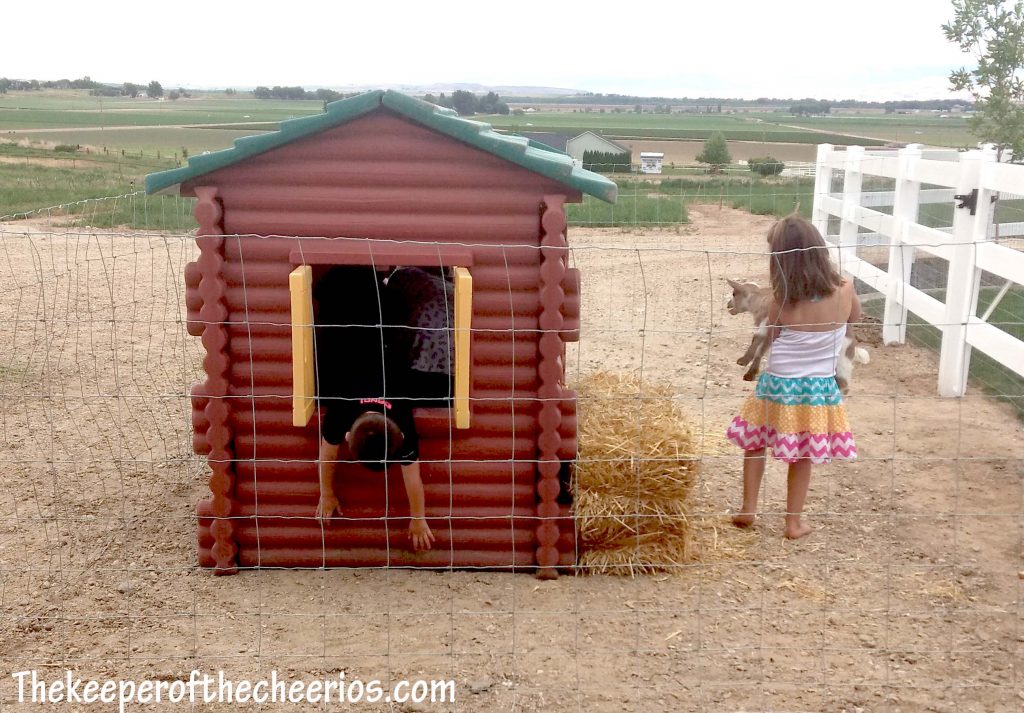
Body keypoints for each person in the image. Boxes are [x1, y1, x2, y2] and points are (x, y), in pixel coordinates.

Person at [725, 215, 860, 539]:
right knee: (802, 454)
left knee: (755, 442)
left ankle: (748, 508)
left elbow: (773, 332)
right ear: (819, 250)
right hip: (816, 387)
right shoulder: (845, 289)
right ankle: (793, 522)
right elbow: (855, 316)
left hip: (778, 382)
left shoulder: (780, 300)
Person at [312, 266, 435, 552]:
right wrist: (326, 494)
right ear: (346, 437)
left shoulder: (397, 415)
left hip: (360, 312)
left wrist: (419, 519)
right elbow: (328, 451)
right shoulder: (345, 410)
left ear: (347, 437)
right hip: (341, 292)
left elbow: (410, 471)